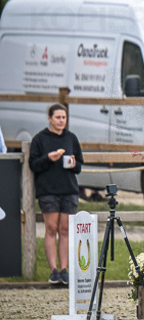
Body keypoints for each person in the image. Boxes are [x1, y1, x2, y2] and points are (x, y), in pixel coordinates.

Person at [29, 104, 84, 286]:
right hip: (48, 191)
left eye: (64, 117)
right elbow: (33, 165)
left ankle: (64, 270)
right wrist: (48, 158)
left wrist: (73, 163)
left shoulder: (71, 138)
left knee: (65, 230)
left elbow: (79, 166)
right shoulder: (40, 139)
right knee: (51, 229)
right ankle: (53, 270)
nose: (61, 120)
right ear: (50, 118)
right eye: (58, 117)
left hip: (69, 189)